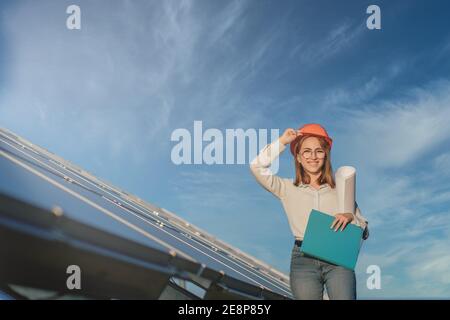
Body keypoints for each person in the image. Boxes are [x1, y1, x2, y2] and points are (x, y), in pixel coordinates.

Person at [249, 123, 369, 300]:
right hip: (303, 260)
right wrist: (282, 141)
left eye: (319, 151)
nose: (313, 156)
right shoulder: (286, 187)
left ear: (325, 155)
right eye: (306, 151)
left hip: (338, 260)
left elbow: (364, 230)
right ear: (298, 157)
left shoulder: (341, 189)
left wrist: (351, 216)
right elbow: (256, 167)